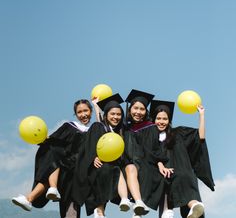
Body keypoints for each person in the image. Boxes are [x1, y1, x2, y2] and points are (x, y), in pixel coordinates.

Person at [12, 99, 93, 216]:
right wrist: (43, 139)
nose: (83, 114)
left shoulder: (94, 131)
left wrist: (96, 105)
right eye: (79, 112)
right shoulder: (69, 126)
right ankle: (33, 197)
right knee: (51, 154)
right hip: (62, 168)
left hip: (76, 172)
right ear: (75, 114)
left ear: (91, 111)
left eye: (86, 110)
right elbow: (53, 140)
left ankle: (34, 197)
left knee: (71, 206)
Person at [149, 99, 215, 218]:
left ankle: (190, 207)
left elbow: (200, 137)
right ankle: (173, 209)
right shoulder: (150, 138)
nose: (161, 122)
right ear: (153, 120)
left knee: (191, 208)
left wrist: (201, 115)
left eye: (165, 119)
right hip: (165, 176)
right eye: (158, 118)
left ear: (169, 121)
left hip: (182, 172)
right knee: (166, 183)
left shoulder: (178, 132)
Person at [72, 93, 132, 218]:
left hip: (113, 165)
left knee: (116, 170)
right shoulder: (98, 126)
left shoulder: (120, 131)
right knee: (103, 172)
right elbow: (92, 143)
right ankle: (99, 211)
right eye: (113, 114)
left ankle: (124, 199)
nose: (116, 117)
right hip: (97, 163)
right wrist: (93, 157)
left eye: (119, 114)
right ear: (106, 115)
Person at [124, 89, 172, 218]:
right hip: (128, 165)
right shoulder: (125, 128)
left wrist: (160, 164)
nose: (138, 112)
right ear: (130, 110)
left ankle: (139, 208)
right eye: (135, 108)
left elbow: (154, 149)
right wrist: (96, 107)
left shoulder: (151, 127)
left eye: (142, 109)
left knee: (149, 172)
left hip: (145, 162)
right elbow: (105, 124)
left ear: (146, 112)